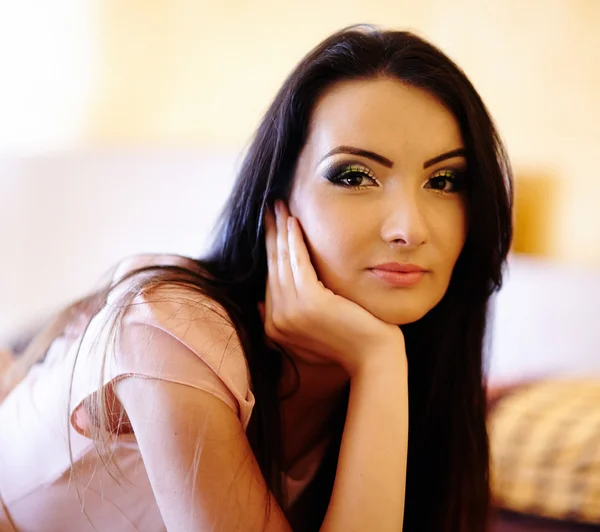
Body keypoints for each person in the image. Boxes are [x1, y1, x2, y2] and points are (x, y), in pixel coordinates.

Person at [0, 24, 512, 532]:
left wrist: (380, 366)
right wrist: (379, 361)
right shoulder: (171, 325)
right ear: (278, 198)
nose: (409, 228)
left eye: (444, 181)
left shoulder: (426, 378)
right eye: (353, 176)